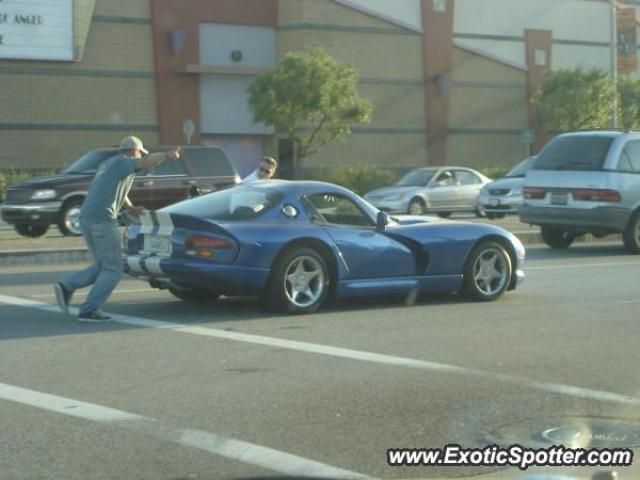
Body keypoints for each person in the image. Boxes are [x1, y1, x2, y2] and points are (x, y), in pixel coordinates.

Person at [54, 136, 181, 322]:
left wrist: (130, 208)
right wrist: (167, 155)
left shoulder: (109, 164)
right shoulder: (125, 162)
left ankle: (67, 286)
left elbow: (114, 189)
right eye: (139, 153)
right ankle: (89, 310)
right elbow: (147, 161)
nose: (139, 157)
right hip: (102, 219)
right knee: (114, 269)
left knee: (102, 265)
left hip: (87, 217)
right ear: (132, 151)